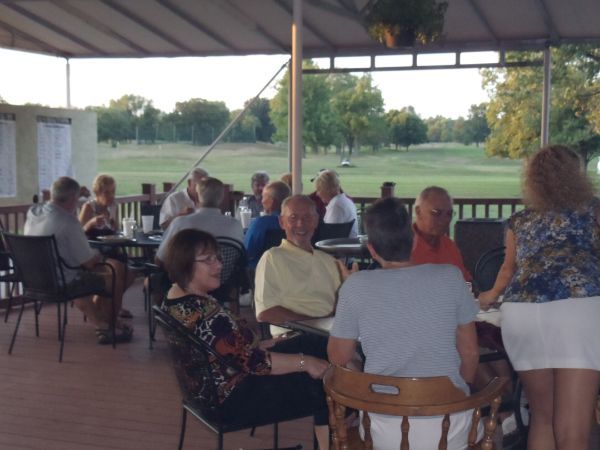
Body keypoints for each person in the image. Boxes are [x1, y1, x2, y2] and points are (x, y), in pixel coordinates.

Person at [328, 197, 480, 450]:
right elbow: (471, 354)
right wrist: (452, 396)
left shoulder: (356, 286)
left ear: (372, 250)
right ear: (414, 239)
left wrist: (350, 292)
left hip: (385, 429)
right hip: (450, 426)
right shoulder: (451, 277)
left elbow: (338, 357)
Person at [161, 228, 331, 449]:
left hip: (209, 391)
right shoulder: (204, 314)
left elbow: (224, 349)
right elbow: (255, 362)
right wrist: (305, 362)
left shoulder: (175, 299)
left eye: (217, 258)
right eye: (208, 260)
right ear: (185, 264)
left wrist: (258, 343)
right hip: (232, 401)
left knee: (316, 342)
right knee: (324, 386)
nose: (219, 266)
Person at [479, 145, 600, 450]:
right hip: (578, 308)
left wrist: (488, 297)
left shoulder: (520, 220)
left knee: (543, 417)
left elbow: (507, 271)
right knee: (573, 428)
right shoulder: (594, 210)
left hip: (522, 314)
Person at [24, 176, 132, 344]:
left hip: (34, 280)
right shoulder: (68, 222)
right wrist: (97, 255)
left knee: (95, 274)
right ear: (75, 199)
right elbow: (89, 263)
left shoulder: (34, 212)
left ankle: (102, 322)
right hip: (62, 281)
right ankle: (108, 323)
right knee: (114, 273)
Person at [254, 195, 342, 336]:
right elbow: (266, 312)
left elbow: (344, 306)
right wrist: (314, 324)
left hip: (331, 334)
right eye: (293, 218)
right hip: (293, 336)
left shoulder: (329, 261)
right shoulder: (273, 257)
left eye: (307, 218)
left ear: (316, 221)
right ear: (282, 222)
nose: (301, 224)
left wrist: (351, 286)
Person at [156, 177, 243, 263]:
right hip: (227, 276)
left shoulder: (180, 223)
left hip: (189, 276)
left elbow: (160, 259)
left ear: (197, 197)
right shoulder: (236, 225)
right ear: (221, 198)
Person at [411, 186, 472, 282]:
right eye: (436, 213)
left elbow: (466, 282)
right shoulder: (401, 248)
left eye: (449, 214)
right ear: (418, 211)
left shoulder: (450, 246)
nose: (444, 220)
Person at [244, 180, 290, 269]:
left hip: (259, 271)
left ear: (271, 201)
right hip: (287, 269)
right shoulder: (295, 224)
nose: (262, 201)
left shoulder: (260, 223)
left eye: (263, 197)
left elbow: (247, 252)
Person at [314, 170, 358, 237]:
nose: (317, 194)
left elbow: (329, 238)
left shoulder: (336, 207)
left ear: (327, 189)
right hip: (347, 244)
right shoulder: (345, 201)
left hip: (341, 246)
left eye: (319, 190)